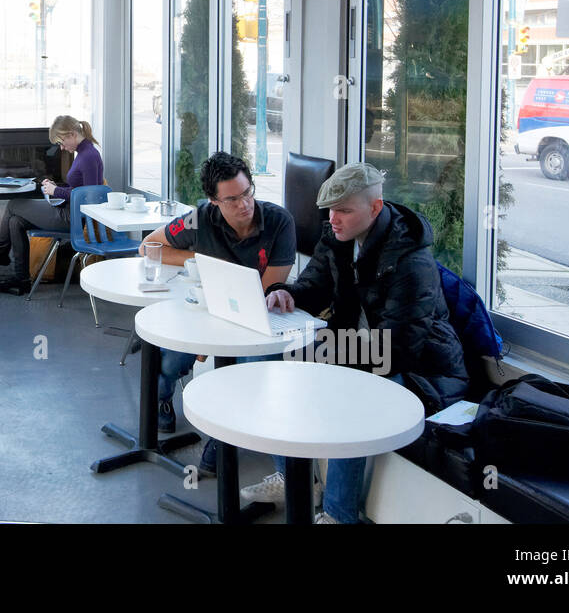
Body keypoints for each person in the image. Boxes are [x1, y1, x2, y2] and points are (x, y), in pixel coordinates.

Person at [247, 162, 469, 523]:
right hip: (359, 350)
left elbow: (396, 351)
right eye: (331, 210)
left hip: (422, 373)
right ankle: (295, 479)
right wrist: (284, 294)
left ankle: (338, 515)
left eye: (344, 210)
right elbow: (314, 286)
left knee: (347, 397)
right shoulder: (338, 235)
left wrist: (325, 354)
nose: (334, 219)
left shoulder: (411, 262)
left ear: (375, 208)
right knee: (262, 359)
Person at [141, 151, 296, 474]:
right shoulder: (199, 219)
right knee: (170, 360)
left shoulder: (279, 222)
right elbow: (149, 248)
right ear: (213, 201)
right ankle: (163, 396)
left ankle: (223, 435)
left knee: (251, 365)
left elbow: (262, 296)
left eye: (248, 193)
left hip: (256, 319)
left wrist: (210, 342)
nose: (244, 205)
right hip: (204, 311)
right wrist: (199, 262)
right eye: (232, 200)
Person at [0, 115, 103, 294]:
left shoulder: (88, 156)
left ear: (71, 134)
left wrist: (56, 191)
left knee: (14, 205)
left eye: (61, 142)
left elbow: (88, 197)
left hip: (71, 219)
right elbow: (79, 188)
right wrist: (55, 188)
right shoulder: (85, 152)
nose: (61, 147)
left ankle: (0, 253)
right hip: (68, 212)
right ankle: (21, 280)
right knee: (16, 222)